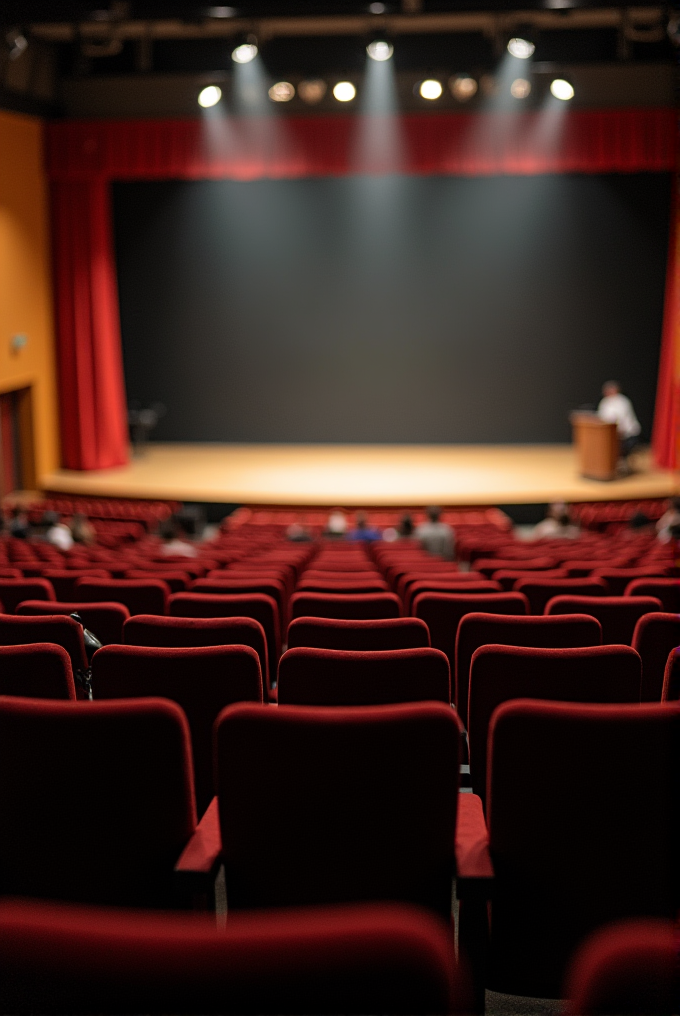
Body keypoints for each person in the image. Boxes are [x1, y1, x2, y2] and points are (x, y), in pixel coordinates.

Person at [597, 381, 641, 471]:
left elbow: (623, 419)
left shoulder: (623, 401)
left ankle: (622, 462)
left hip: (628, 434)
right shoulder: (605, 402)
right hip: (609, 433)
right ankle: (605, 464)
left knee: (621, 445)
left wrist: (619, 430)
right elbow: (601, 417)